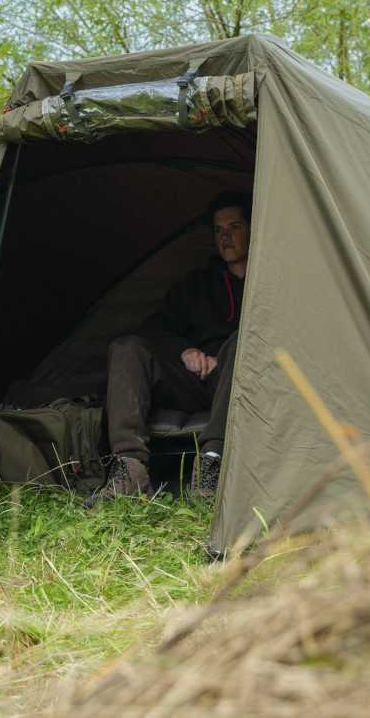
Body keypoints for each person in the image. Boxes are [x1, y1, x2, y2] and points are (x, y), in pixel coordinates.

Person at [85, 191, 252, 507]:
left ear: (253, 229)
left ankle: (212, 464)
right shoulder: (196, 284)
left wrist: (225, 357)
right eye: (218, 230)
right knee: (127, 347)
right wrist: (186, 350)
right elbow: (154, 327)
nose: (225, 236)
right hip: (195, 380)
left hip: (241, 382)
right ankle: (131, 469)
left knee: (239, 343)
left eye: (235, 227)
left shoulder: (269, 281)